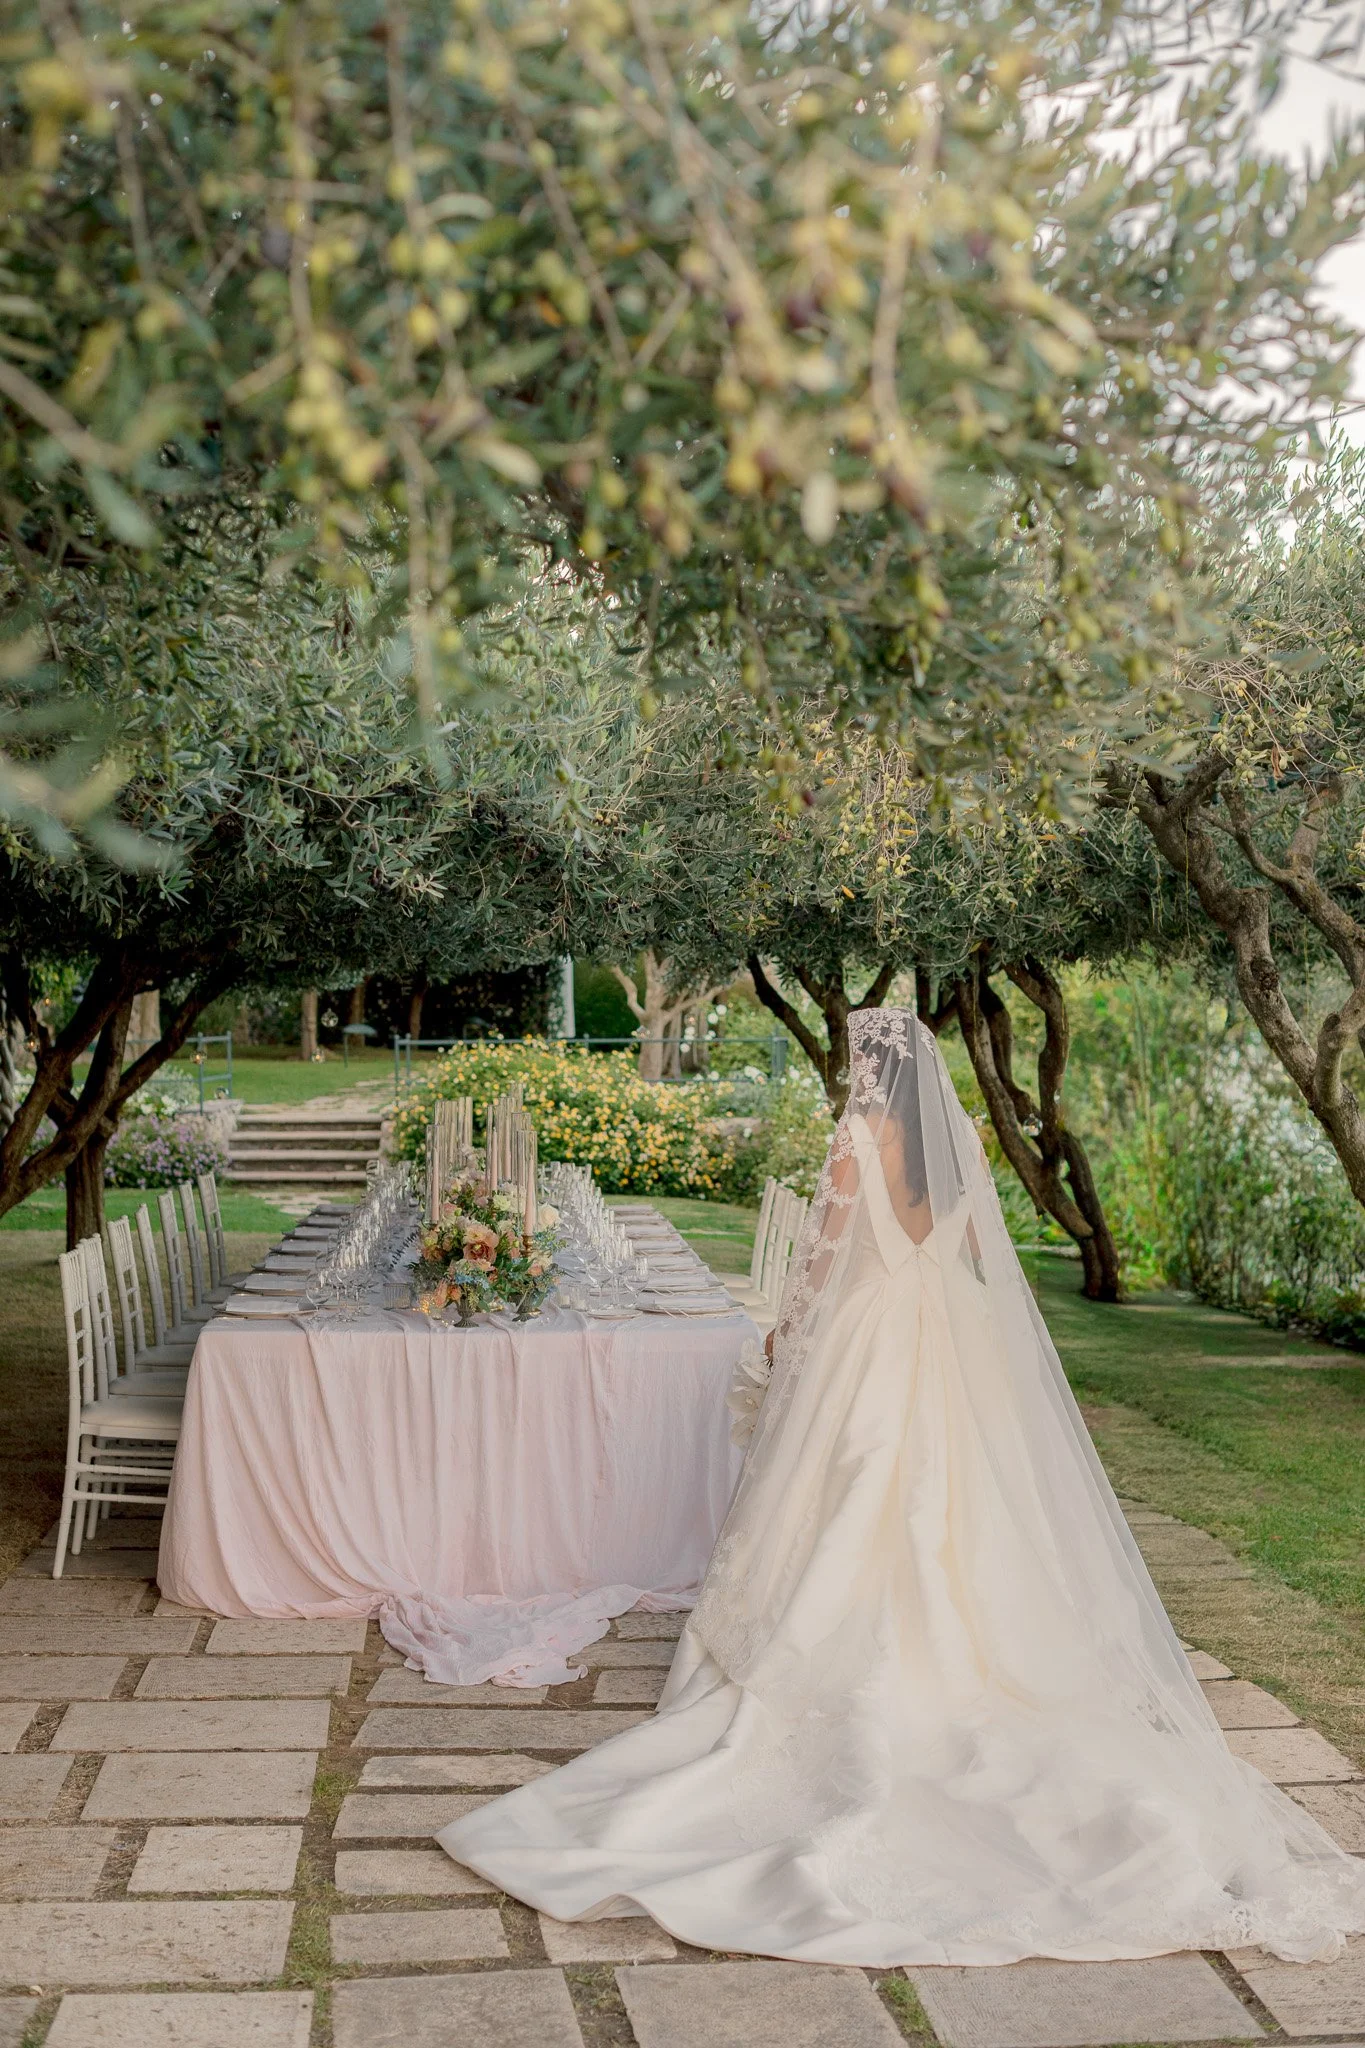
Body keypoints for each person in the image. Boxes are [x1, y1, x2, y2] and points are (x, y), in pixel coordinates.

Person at [441, 1007, 1365, 1965]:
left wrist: (787, 1333)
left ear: (875, 1066)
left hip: (870, 1328)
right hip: (948, 1324)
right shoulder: (959, 1139)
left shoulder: (860, 1133)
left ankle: (839, 1645)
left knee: (853, 1486)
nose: (851, 1069)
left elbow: (824, 1253)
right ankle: (964, 1645)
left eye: (859, 1055)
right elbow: (979, 1256)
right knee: (956, 1496)